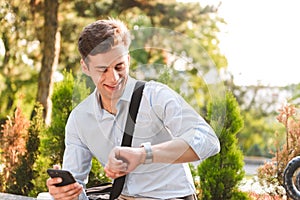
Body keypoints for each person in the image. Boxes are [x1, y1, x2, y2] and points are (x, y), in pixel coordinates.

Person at [46, 18, 220, 200]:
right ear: (86, 67)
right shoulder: (80, 119)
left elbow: (208, 141)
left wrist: (144, 155)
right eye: (103, 70)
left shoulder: (155, 97)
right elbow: (77, 187)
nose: (113, 78)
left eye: (119, 66)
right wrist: (66, 193)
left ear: (128, 59)